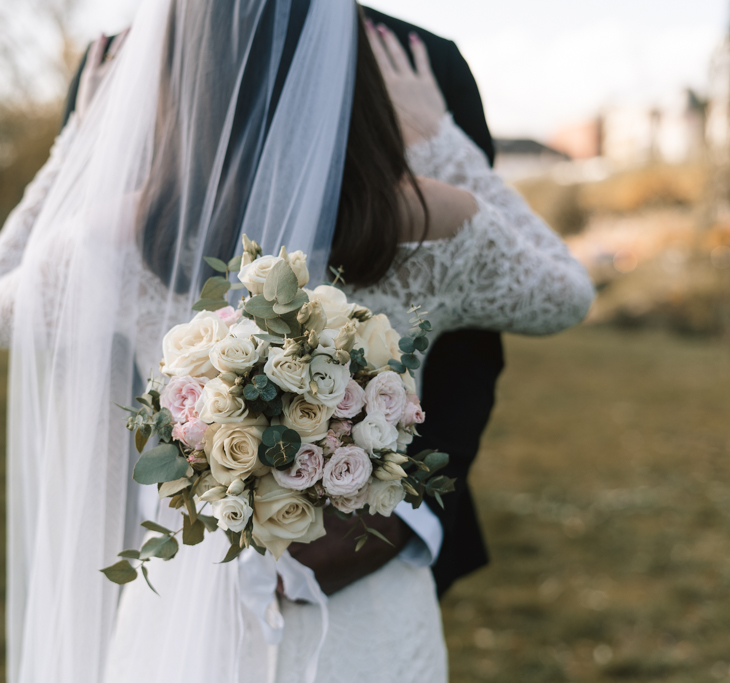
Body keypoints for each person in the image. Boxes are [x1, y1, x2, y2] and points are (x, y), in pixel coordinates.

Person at [0, 1, 594, 681]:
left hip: (188, 593)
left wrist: (76, 149)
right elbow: (566, 291)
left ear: (185, 56)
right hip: (366, 619)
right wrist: (441, 140)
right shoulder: (439, 219)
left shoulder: (114, 235)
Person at [61, 4, 501, 601]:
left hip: (380, 546)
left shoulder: (419, 58)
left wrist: (402, 516)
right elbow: (85, 322)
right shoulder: (117, 64)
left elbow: (474, 322)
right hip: (170, 551)